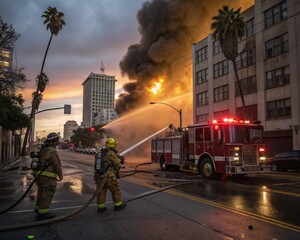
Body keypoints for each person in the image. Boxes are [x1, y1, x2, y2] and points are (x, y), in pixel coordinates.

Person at [33, 132, 63, 220]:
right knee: (48, 193)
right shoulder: (52, 151)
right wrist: (60, 175)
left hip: (39, 176)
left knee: (41, 192)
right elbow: (57, 164)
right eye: (57, 140)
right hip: (48, 177)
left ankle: (38, 208)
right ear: (53, 141)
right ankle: (43, 212)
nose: (58, 142)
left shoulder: (43, 149)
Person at [94, 137, 126, 212]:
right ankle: (118, 205)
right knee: (115, 189)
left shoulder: (100, 151)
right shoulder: (110, 153)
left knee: (101, 191)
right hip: (108, 176)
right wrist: (121, 161)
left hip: (99, 175)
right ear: (113, 145)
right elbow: (117, 163)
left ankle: (101, 207)